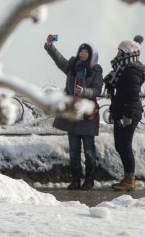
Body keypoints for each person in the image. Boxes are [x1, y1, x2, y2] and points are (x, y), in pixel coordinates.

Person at [44, 35, 103, 191]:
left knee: (89, 150)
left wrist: (85, 91)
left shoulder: (96, 70)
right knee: (74, 150)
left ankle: (89, 181)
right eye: (81, 51)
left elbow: (98, 90)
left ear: (91, 55)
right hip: (72, 114)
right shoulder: (72, 67)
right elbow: (60, 60)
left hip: (87, 114)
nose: (82, 54)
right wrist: (51, 47)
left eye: (86, 52)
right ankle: (75, 180)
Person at [103, 35, 145, 191]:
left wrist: (127, 116)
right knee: (120, 145)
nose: (117, 54)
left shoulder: (131, 71)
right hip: (121, 111)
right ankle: (127, 178)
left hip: (128, 113)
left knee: (125, 145)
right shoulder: (122, 69)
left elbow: (132, 95)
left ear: (126, 53)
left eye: (120, 51)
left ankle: (130, 180)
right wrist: (115, 111)